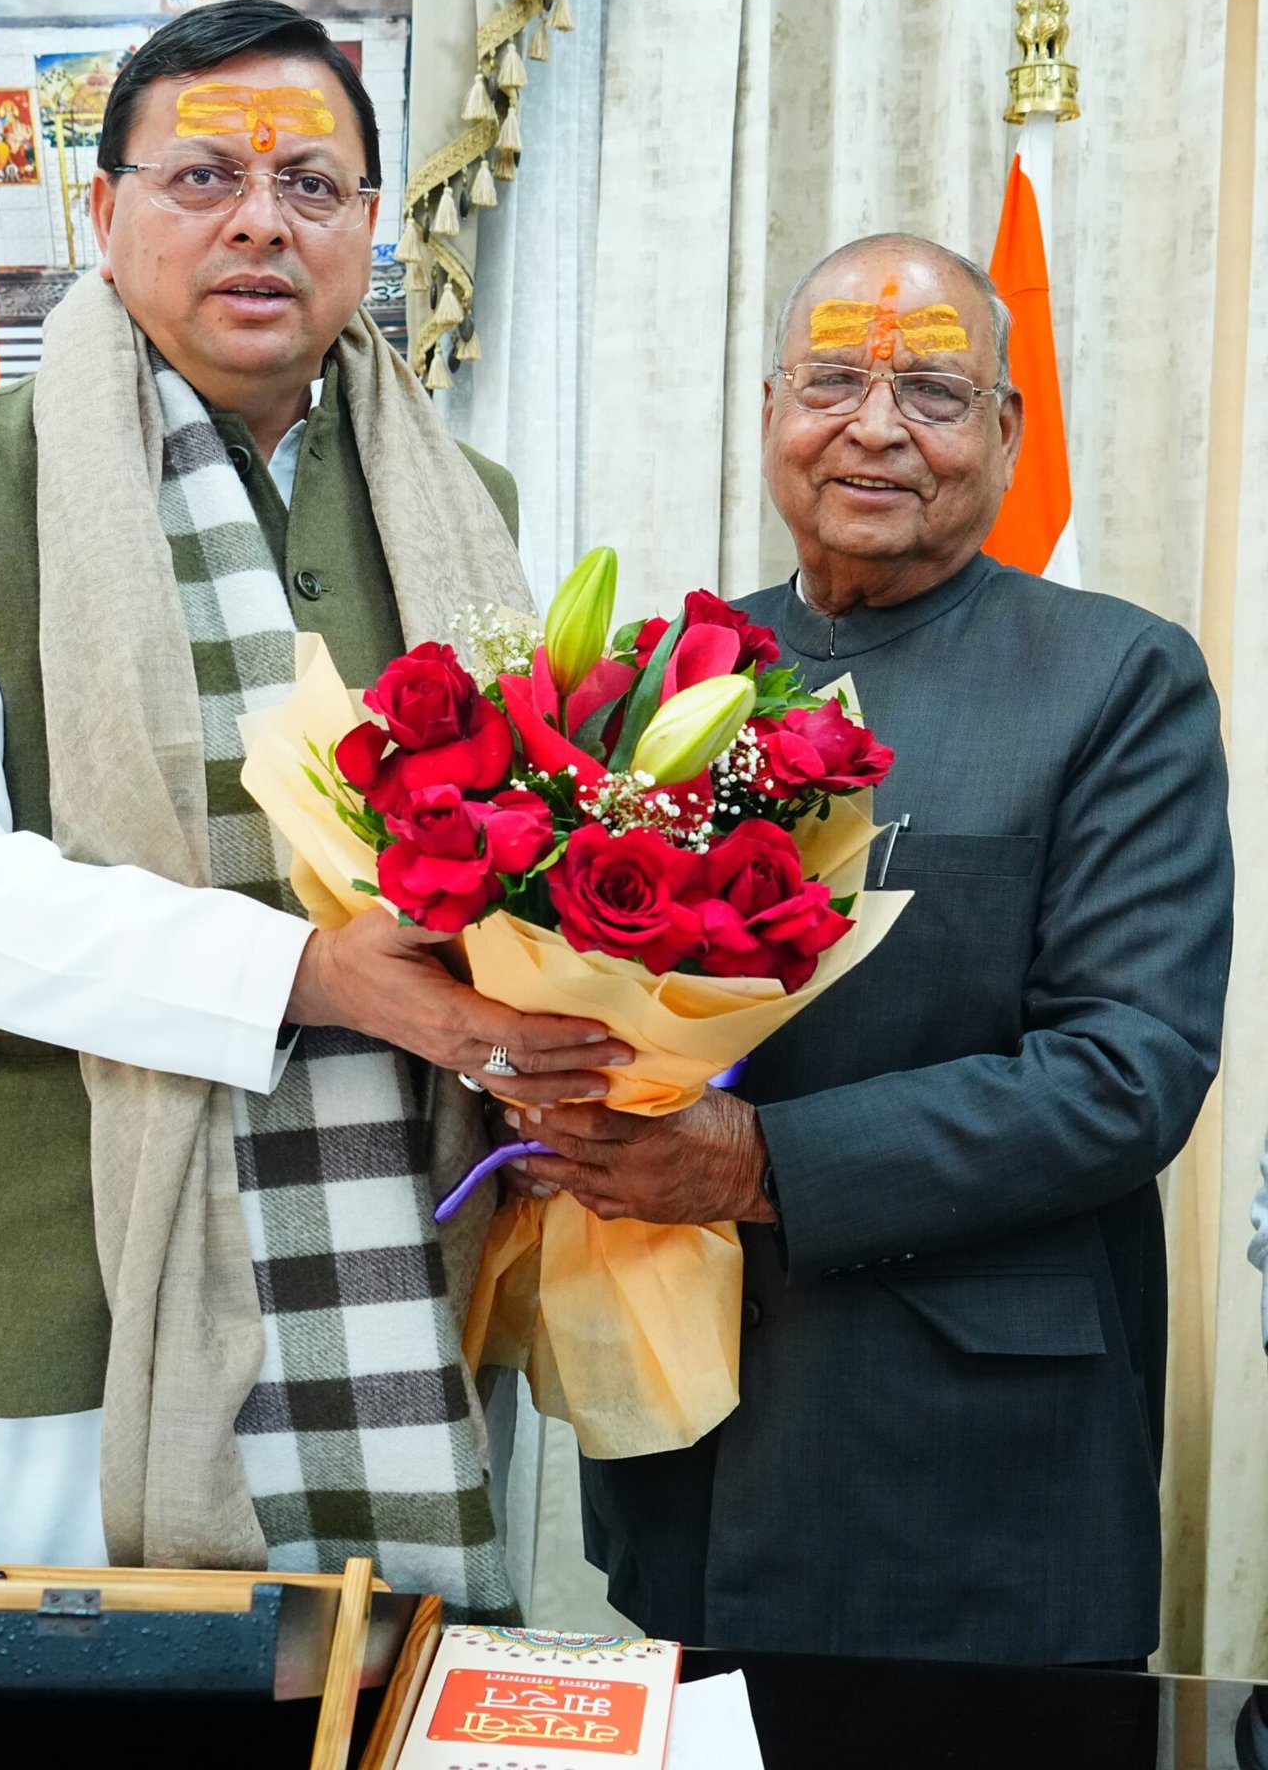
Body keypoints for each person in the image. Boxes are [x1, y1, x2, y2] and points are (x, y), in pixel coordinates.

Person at [0, 0, 630, 1601]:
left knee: (375, 1703)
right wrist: (307, 976)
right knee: (56, 1724)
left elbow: (534, 862)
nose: (261, 220)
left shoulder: (463, 509)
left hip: (405, 1279)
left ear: (370, 226)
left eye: (312, 184)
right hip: (52, 1315)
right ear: (104, 213)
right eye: (203, 177)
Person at [496, 233, 1232, 1665]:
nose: (877, 427)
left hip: (971, 1471)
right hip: (693, 1448)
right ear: (773, 409)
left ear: (1007, 431)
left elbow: (1126, 1076)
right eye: (833, 380)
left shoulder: (1115, 679)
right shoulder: (671, 673)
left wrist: (759, 1164)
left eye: (936, 393)